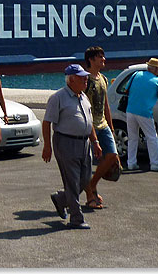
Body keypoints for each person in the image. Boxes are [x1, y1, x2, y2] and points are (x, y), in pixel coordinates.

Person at [42, 64, 102, 229]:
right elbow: (46, 122)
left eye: (85, 77)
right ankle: (77, 218)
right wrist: (47, 146)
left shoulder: (83, 97)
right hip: (66, 142)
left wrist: (95, 142)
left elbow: (89, 123)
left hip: (85, 142)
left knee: (84, 179)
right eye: (82, 77)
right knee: (72, 181)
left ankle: (61, 199)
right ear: (71, 79)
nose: (85, 80)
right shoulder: (58, 97)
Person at [82, 46, 120, 209]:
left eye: (103, 56)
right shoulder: (85, 80)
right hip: (88, 127)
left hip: (103, 125)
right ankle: (90, 196)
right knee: (87, 164)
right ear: (91, 60)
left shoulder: (103, 78)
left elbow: (106, 105)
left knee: (112, 155)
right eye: (100, 57)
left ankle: (92, 184)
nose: (103, 59)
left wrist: (111, 126)